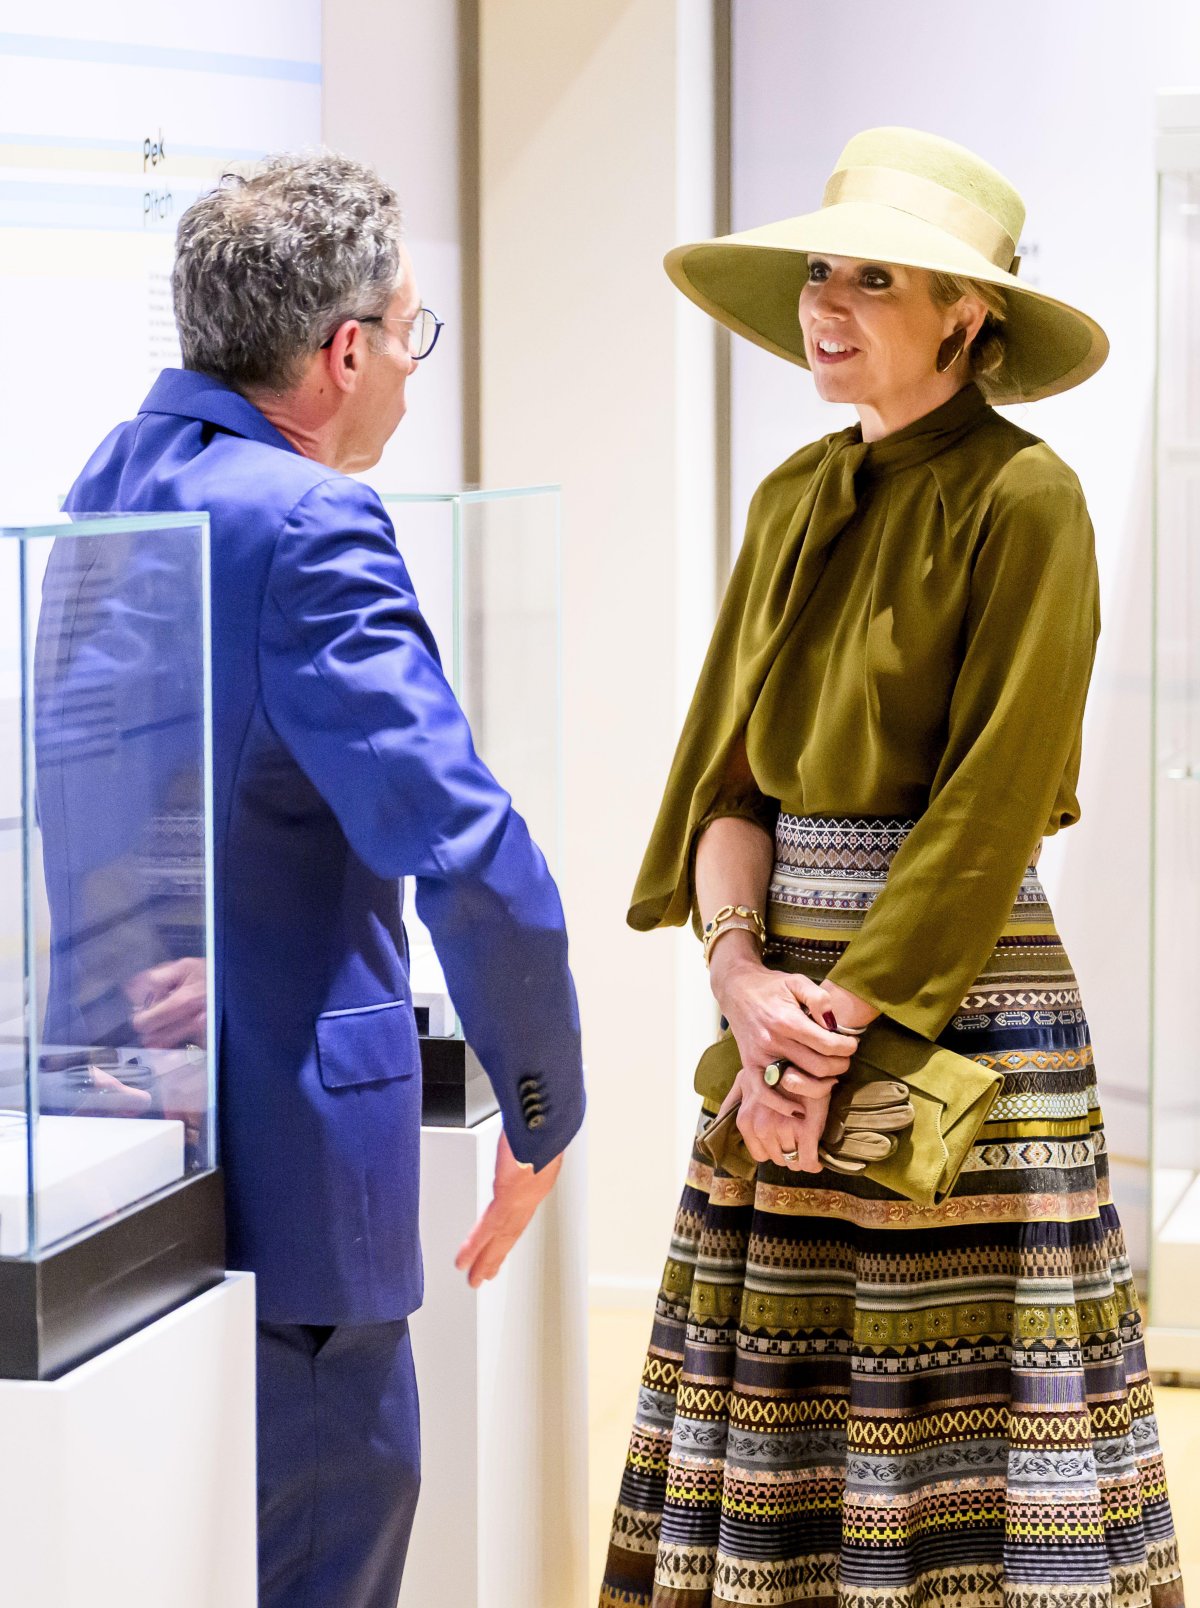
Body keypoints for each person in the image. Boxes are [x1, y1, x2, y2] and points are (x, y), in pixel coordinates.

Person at [600, 128, 1183, 1608]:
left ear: (968, 315)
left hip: (956, 1008)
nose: (827, 304)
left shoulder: (1025, 497)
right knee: (790, 1414)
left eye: (875, 277)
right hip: (782, 1006)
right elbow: (728, 783)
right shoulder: (790, 495)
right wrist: (742, 983)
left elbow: (989, 810)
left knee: (963, 1437)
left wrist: (829, 1037)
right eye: (818, 271)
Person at [64, 152, 586, 1608]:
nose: (411, 376)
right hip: (297, 1186)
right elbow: (465, 848)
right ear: (343, 348)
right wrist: (540, 1097)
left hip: (130, 1130)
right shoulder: (312, 523)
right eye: (410, 336)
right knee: (326, 1551)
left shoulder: (101, 482)